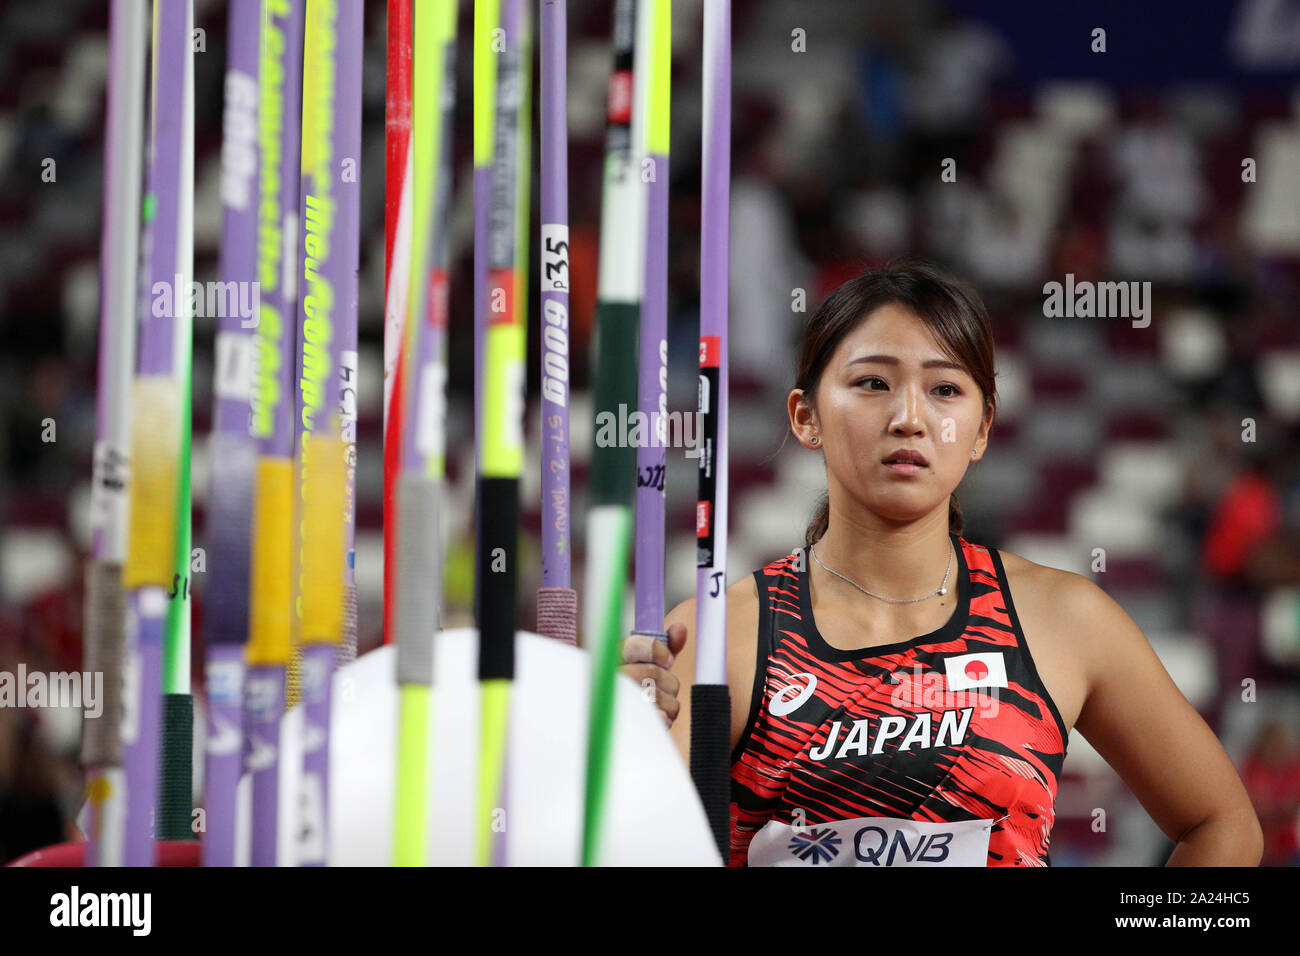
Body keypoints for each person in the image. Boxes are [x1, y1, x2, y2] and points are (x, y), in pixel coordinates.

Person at [623, 260, 1262, 867]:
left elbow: (1224, 827)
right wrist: (613, 744)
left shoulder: (1065, 621)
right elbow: (626, 845)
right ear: (806, 417)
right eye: (872, 382)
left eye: (945, 389)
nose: (909, 418)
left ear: (982, 429)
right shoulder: (717, 637)